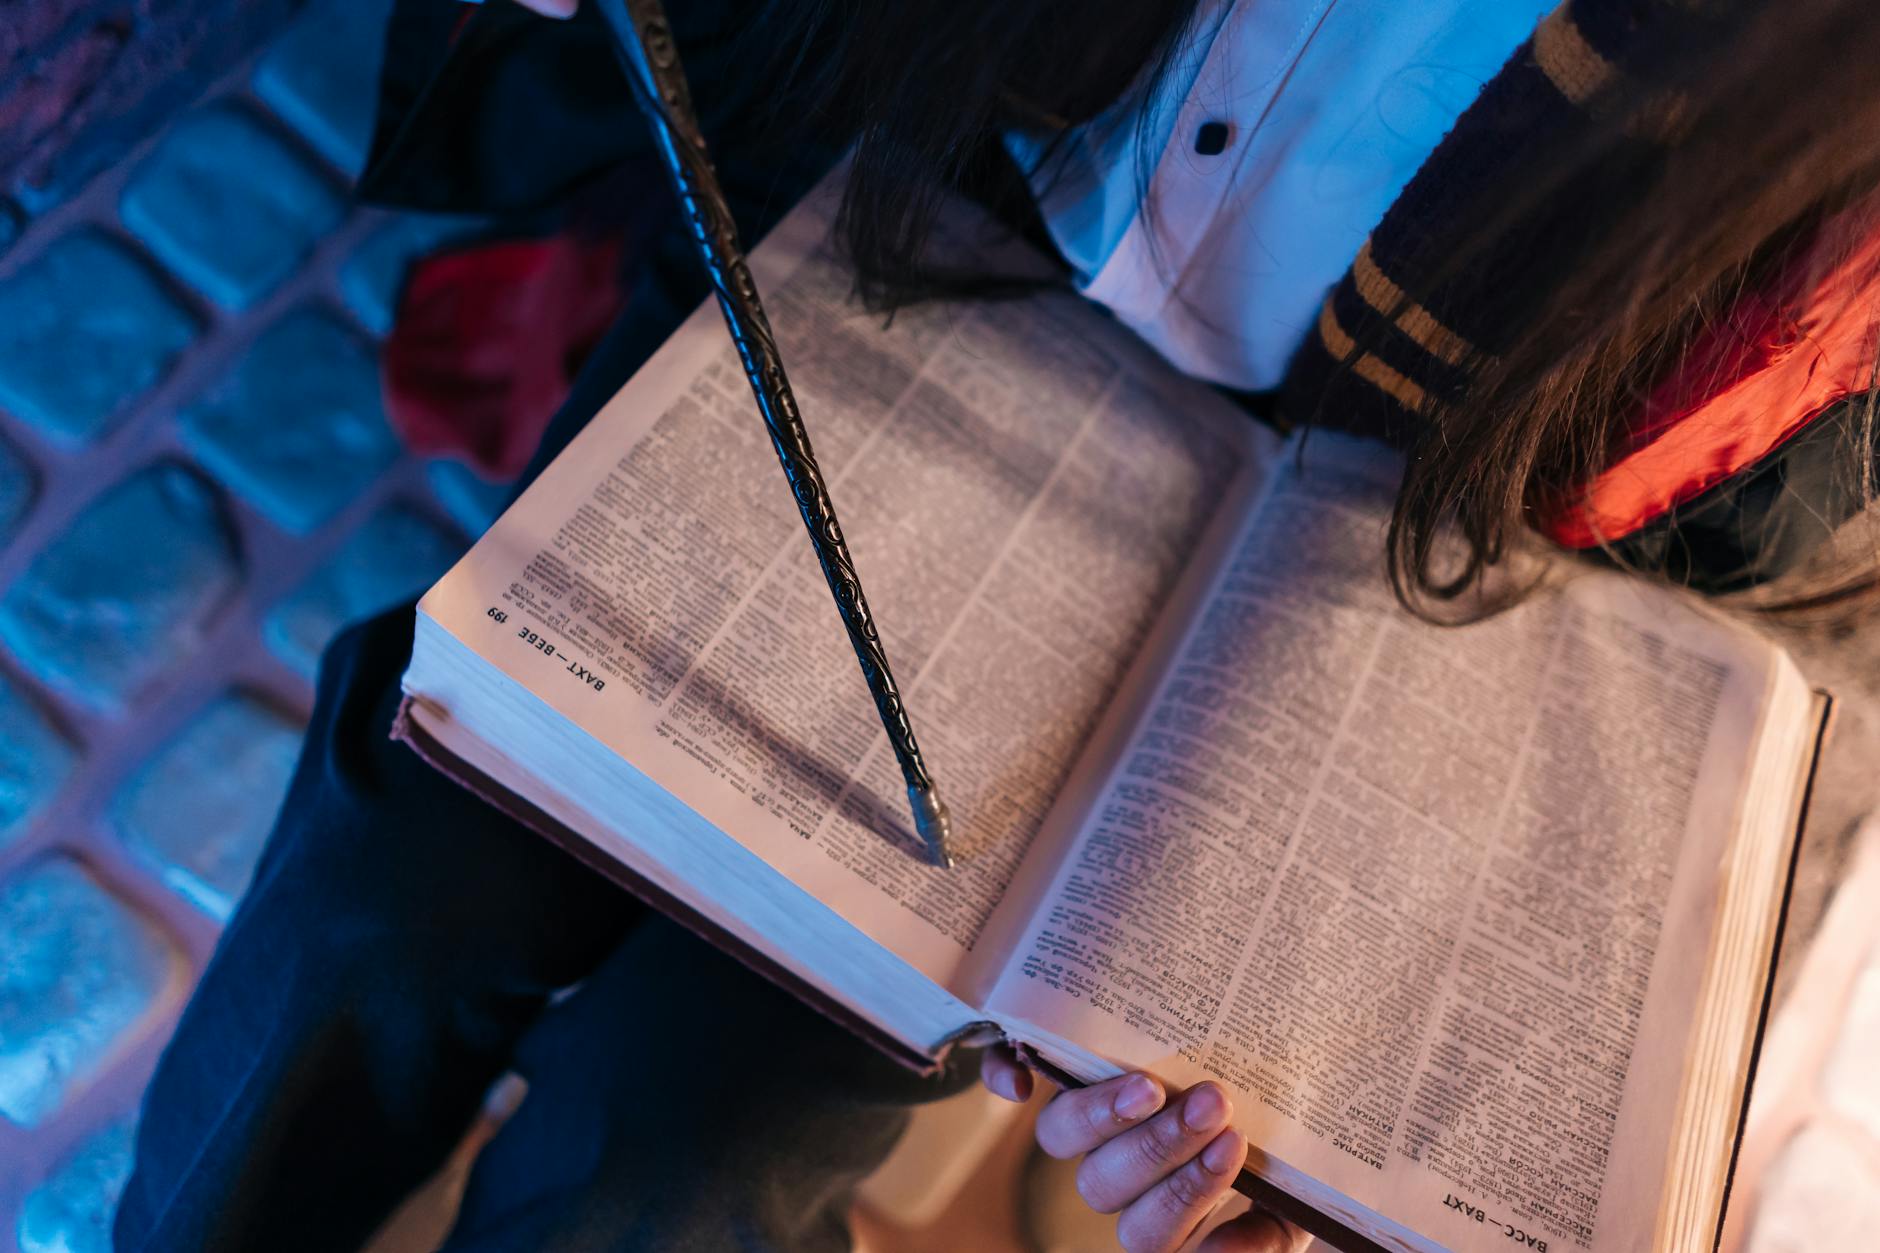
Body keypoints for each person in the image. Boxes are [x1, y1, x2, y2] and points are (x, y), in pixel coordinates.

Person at [115, 0, 1880, 1250]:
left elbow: (1756, 614)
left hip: (1326, 550)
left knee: (695, 1145)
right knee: (401, 864)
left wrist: (1323, 1149)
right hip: (897, 251)